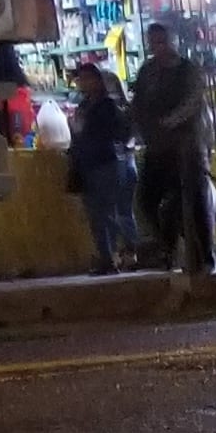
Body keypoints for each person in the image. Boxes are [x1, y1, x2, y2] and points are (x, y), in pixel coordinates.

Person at [129, 21, 212, 275]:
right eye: (153, 42)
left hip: (187, 148)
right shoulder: (148, 71)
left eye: (162, 41)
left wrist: (170, 121)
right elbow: (138, 103)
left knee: (193, 203)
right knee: (147, 200)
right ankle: (166, 249)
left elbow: (192, 101)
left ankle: (203, 257)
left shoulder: (188, 70)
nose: (158, 47)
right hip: (157, 148)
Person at [66, 62, 139, 274]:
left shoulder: (107, 106)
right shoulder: (84, 105)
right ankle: (107, 257)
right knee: (96, 215)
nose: (84, 83)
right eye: (82, 79)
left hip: (106, 164)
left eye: (89, 78)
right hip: (90, 165)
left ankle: (126, 250)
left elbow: (111, 135)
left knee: (108, 213)